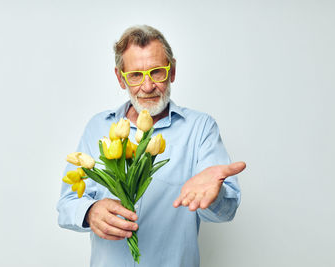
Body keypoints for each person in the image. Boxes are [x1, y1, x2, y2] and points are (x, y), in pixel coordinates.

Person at [57, 25, 246, 267]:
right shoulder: (98, 127)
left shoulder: (200, 128)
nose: (147, 87)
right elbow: (67, 203)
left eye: (157, 72)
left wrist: (215, 194)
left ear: (173, 71)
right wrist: (90, 211)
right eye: (135, 75)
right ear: (120, 78)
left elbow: (226, 211)